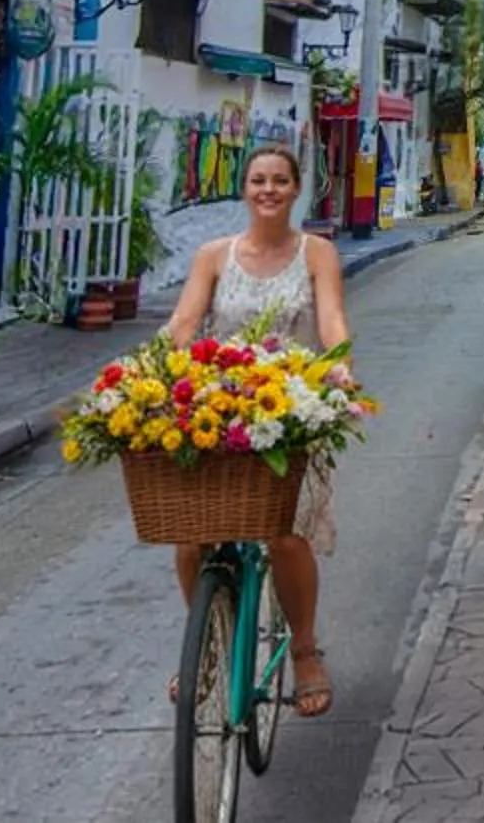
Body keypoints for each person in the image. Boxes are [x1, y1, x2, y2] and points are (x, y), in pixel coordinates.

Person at [160, 145, 349, 718]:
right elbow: (186, 322)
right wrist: (166, 370)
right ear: (245, 189)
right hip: (222, 406)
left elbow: (332, 319)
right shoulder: (213, 256)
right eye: (258, 180)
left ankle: (306, 651)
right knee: (191, 537)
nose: (268, 189)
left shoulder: (317, 254)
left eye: (280, 181)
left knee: (285, 536)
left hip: (290, 406)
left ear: (296, 191)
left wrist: (338, 365)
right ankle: (210, 639)